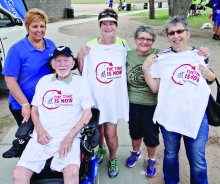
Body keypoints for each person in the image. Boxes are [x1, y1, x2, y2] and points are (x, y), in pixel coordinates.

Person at [142, 16, 216, 184]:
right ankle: (171, 181)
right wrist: (145, 68)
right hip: (170, 116)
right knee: (169, 153)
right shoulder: (163, 58)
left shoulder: (199, 54)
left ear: (188, 33)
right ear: (167, 36)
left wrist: (211, 75)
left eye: (179, 31)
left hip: (196, 117)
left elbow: (210, 79)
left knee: (197, 160)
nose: (176, 36)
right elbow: (155, 88)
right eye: (171, 33)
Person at [12, 46, 94, 184]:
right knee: (18, 174)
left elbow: (88, 113)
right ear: (52, 64)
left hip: (68, 137)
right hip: (42, 137)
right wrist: (39, 129)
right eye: (58, 60)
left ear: (72, 63)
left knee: (72, 171)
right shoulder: (44, 81)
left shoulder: (81, 82)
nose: (62, 64)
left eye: (66, 60)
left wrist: (69, 137)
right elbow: (34, 109)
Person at [77, 8, 129, 178]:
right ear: (100, 25)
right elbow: (83, 72)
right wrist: (80, 56)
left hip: (113, 99)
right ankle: (101, 150)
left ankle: (113, 158)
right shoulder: (91, 47)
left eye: (111, 23)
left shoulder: (122, 46)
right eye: (104, 24)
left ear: (116, 25)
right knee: (97, 130)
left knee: (110, 133)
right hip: (96, 97)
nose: (108, 27)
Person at [2, 8, 56, 158]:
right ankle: (25, 160)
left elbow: (57, 67)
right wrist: (25, 104)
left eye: (42, 26)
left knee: (45, 135)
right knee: (30, 137)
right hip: (22, 104)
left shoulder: (50, 45)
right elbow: (9, 80)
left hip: (44, 102)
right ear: (27, 27)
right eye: (35, 26)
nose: (39, 30)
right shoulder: (17, 50)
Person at [125, 25, 160, 178]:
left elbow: (180, 54)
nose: (144, 42)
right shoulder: (127, 55)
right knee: (134, 131)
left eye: (148, 39)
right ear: (135, 40)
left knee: (151, 134)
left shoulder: (158, 55)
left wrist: (201, 52)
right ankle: (136, 153)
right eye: (141, 38)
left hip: (152, 104)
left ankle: (151, 160)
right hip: (132, 102)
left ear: (152, 42)